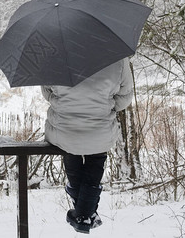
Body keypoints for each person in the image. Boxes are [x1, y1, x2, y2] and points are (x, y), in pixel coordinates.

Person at [41, 58, 133, 234]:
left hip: (65, 129)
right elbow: (125, 97)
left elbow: (47, 93)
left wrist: (61, 104)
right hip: (100, 128)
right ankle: (85, 215)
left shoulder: (55, 55)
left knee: (71, 150)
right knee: (95, 162)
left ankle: (84, 215)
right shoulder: (117, 57)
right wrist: (107, 106)